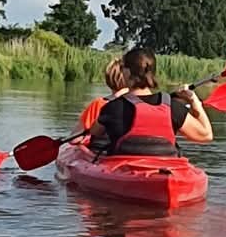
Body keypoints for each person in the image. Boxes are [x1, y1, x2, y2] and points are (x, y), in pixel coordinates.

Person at [83, 47, 212, 156]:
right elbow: (206, 135)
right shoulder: (173, 107)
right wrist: (194, 101)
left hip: (124, 170)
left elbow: (94, 132)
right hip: (166, 169)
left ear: (128, 72)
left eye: (123, 67)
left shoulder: (113, 108)